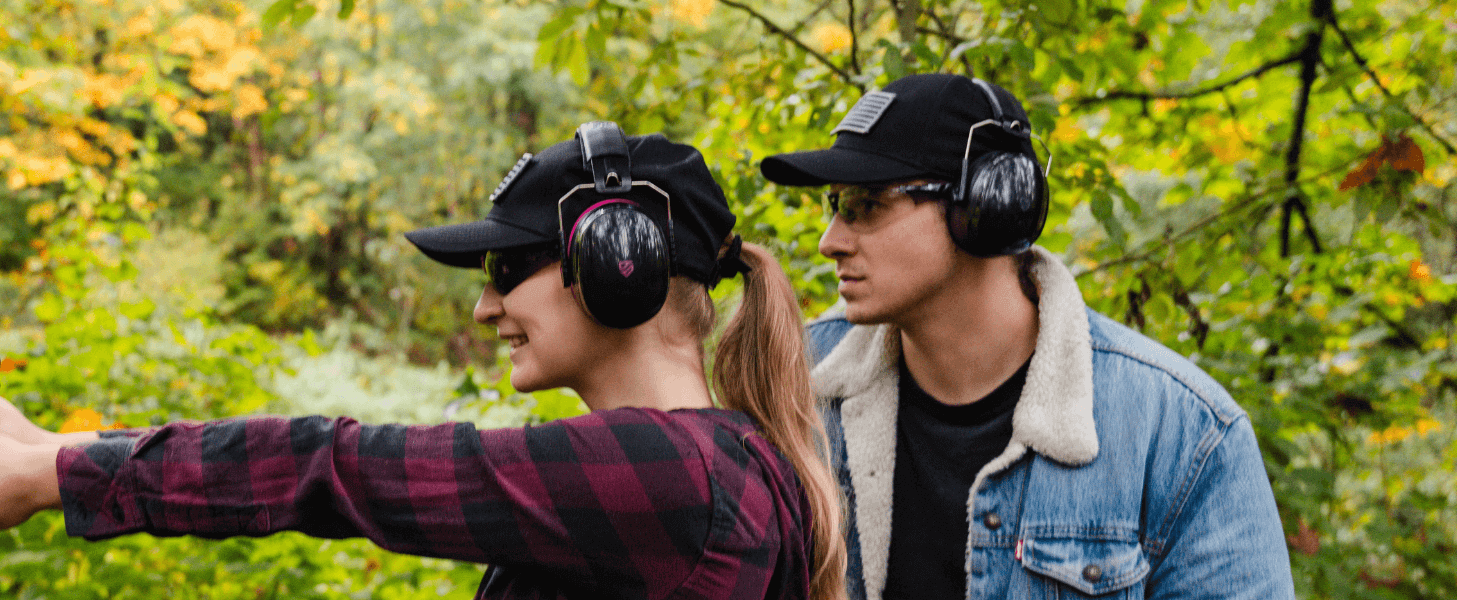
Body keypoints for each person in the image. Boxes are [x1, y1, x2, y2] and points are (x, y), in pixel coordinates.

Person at [0, 122, 845, 600]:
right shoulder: (712, 462)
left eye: (509, 269)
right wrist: (58, 452)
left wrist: (57, 477)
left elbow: (335, 466)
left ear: (620, 260)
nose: (486, 308)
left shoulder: (675, 473)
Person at [758, 73, 1294, 599]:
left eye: (865, 206)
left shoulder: (1182, 431)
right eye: (835, 207)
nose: (831, 242)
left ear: (988, 204)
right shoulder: (796, 384)